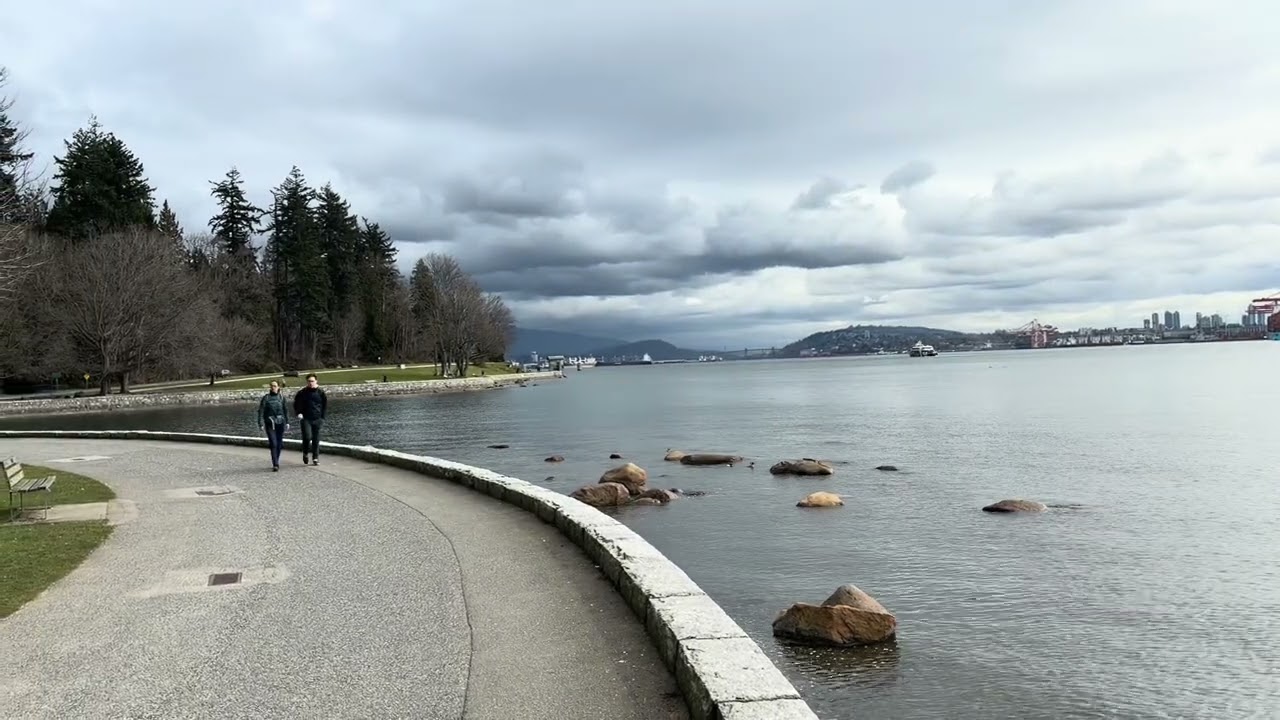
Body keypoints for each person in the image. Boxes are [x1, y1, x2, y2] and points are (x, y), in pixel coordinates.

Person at [293, 373, 327, 465]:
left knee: (316, 438)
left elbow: (324, 405)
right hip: (306, 418)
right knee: (307, 437)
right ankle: (305, 453)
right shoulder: (302, 393)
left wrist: (322, 418)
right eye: (309, 381)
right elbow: (296, 404)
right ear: (307, 382)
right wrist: (299, 413)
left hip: (317, 418)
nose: (310, 383)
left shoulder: (321, 392)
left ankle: (315, 458)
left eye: (312, 381)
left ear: (316, 381)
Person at [257, 380, 288, 471]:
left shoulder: (282, 398)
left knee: (279, 444)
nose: (273, 387)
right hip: (270, 423)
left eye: (274, 386)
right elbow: (261, 411)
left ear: (278, 387)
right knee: (273, 443)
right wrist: (260, 423)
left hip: (280, 423)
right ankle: (275, 464)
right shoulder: (266, 398)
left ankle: (276, 460)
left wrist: (287, 422)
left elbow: (285, 411)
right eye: (271, 386)